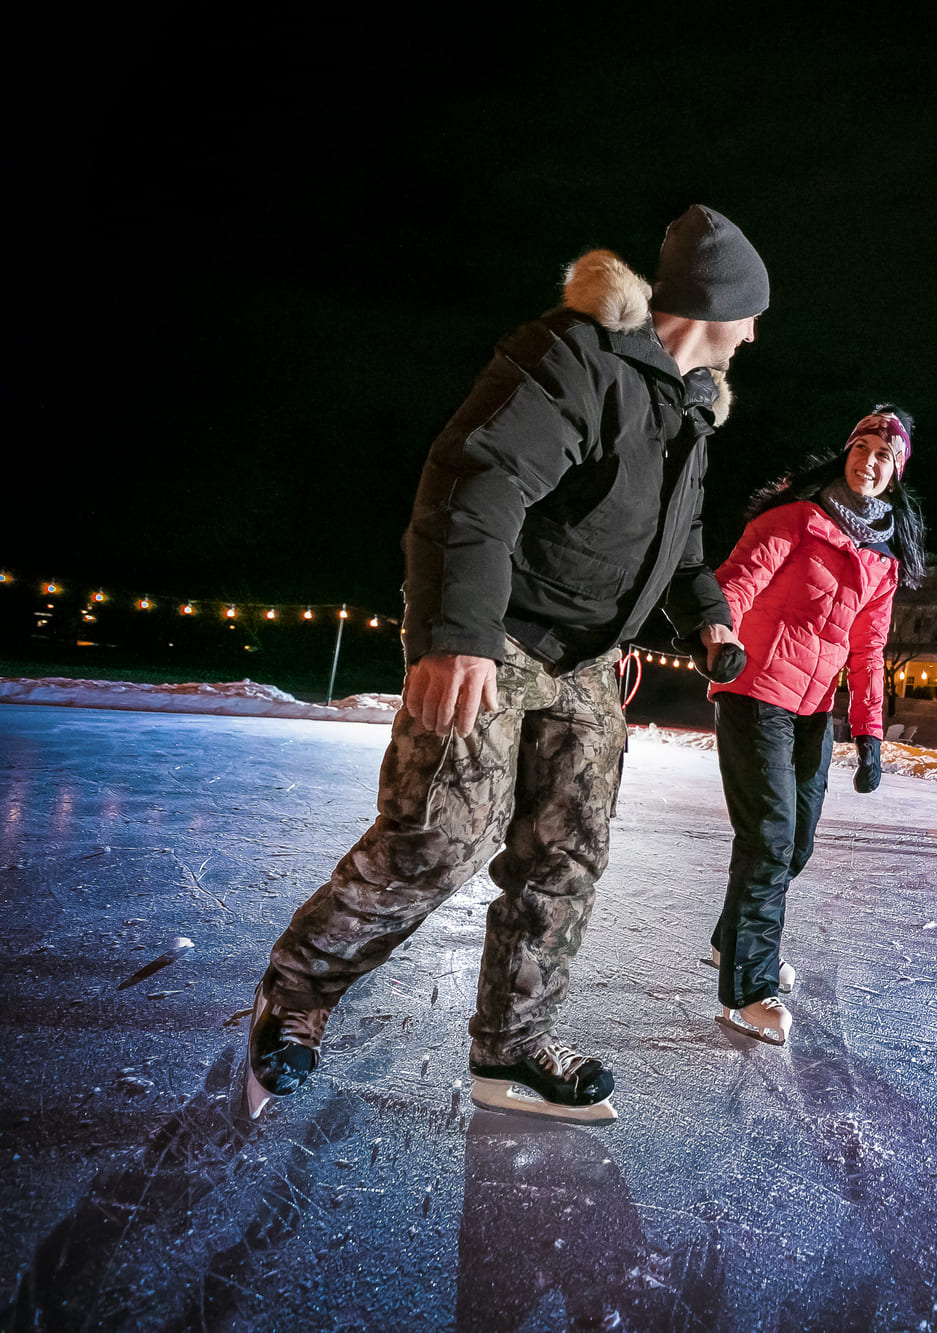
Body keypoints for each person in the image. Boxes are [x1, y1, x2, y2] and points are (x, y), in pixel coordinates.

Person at [245, 206, 770, 1122]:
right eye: (753, 313)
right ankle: (295, 994)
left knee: (566, 853)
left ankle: (514, 1047)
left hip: (588, 662)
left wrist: (712, 623)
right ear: (716, 305)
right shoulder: (575, 355)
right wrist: (456, 634)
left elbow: (681, 551)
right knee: (439, 835)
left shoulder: (689, 414)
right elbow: (477, 478)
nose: (758, 333)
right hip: (502, 634)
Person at [705, 407, 925, 1046]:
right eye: (861, 446)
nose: (870, 460)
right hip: (755, 688)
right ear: (846, 452)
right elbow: (737, 581)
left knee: (794, 844)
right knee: (770, 839)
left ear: (895, 474)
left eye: (884, 456)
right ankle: (748, 989)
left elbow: (868, 651)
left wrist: (871, 733)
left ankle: (733, 941)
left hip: (812, 711)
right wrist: (719, 637)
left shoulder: (880, 563)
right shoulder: (797, 519)